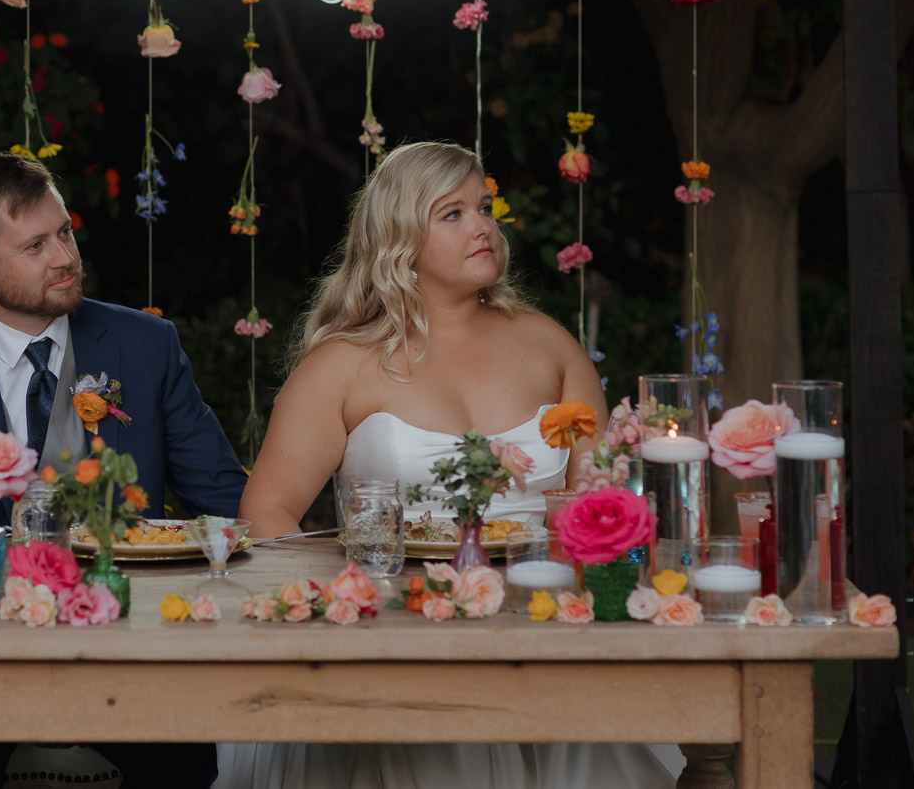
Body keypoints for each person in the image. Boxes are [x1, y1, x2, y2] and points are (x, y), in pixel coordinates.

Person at [224, 141, 681, 789]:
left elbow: (600, 507)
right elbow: (266, 512)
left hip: (543, 633)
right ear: (399, 239)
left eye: (485, 207)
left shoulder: (550, 345)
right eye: (453, 213)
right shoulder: (340, 367)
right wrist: (356, 588)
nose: (483, 225)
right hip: (396, 636)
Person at [0, 150, 248, 789]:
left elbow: (225, 497)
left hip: (131, 643)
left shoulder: (146, 346)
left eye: (66, 232)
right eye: (35, 245)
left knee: (185, 769)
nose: (64, 257)